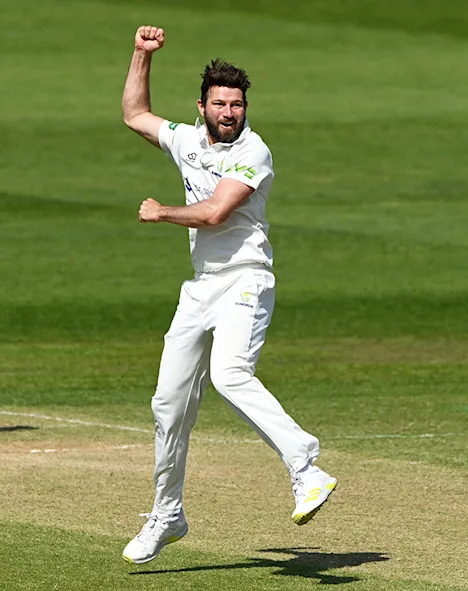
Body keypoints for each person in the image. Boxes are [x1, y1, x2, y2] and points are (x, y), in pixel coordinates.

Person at [119, 25, 337, 564]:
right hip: (199, 290)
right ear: (202, 106)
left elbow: (216, 212)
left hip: (246, 277)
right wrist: (141, 55)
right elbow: (134, 114)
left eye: (237, 105)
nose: (229, 112)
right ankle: (167, 514)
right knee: (168, 406)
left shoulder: (254, 151)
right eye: (220, 104)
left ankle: (304, 464)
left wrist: (162, 212)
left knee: (229, 374)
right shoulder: (187, 139)